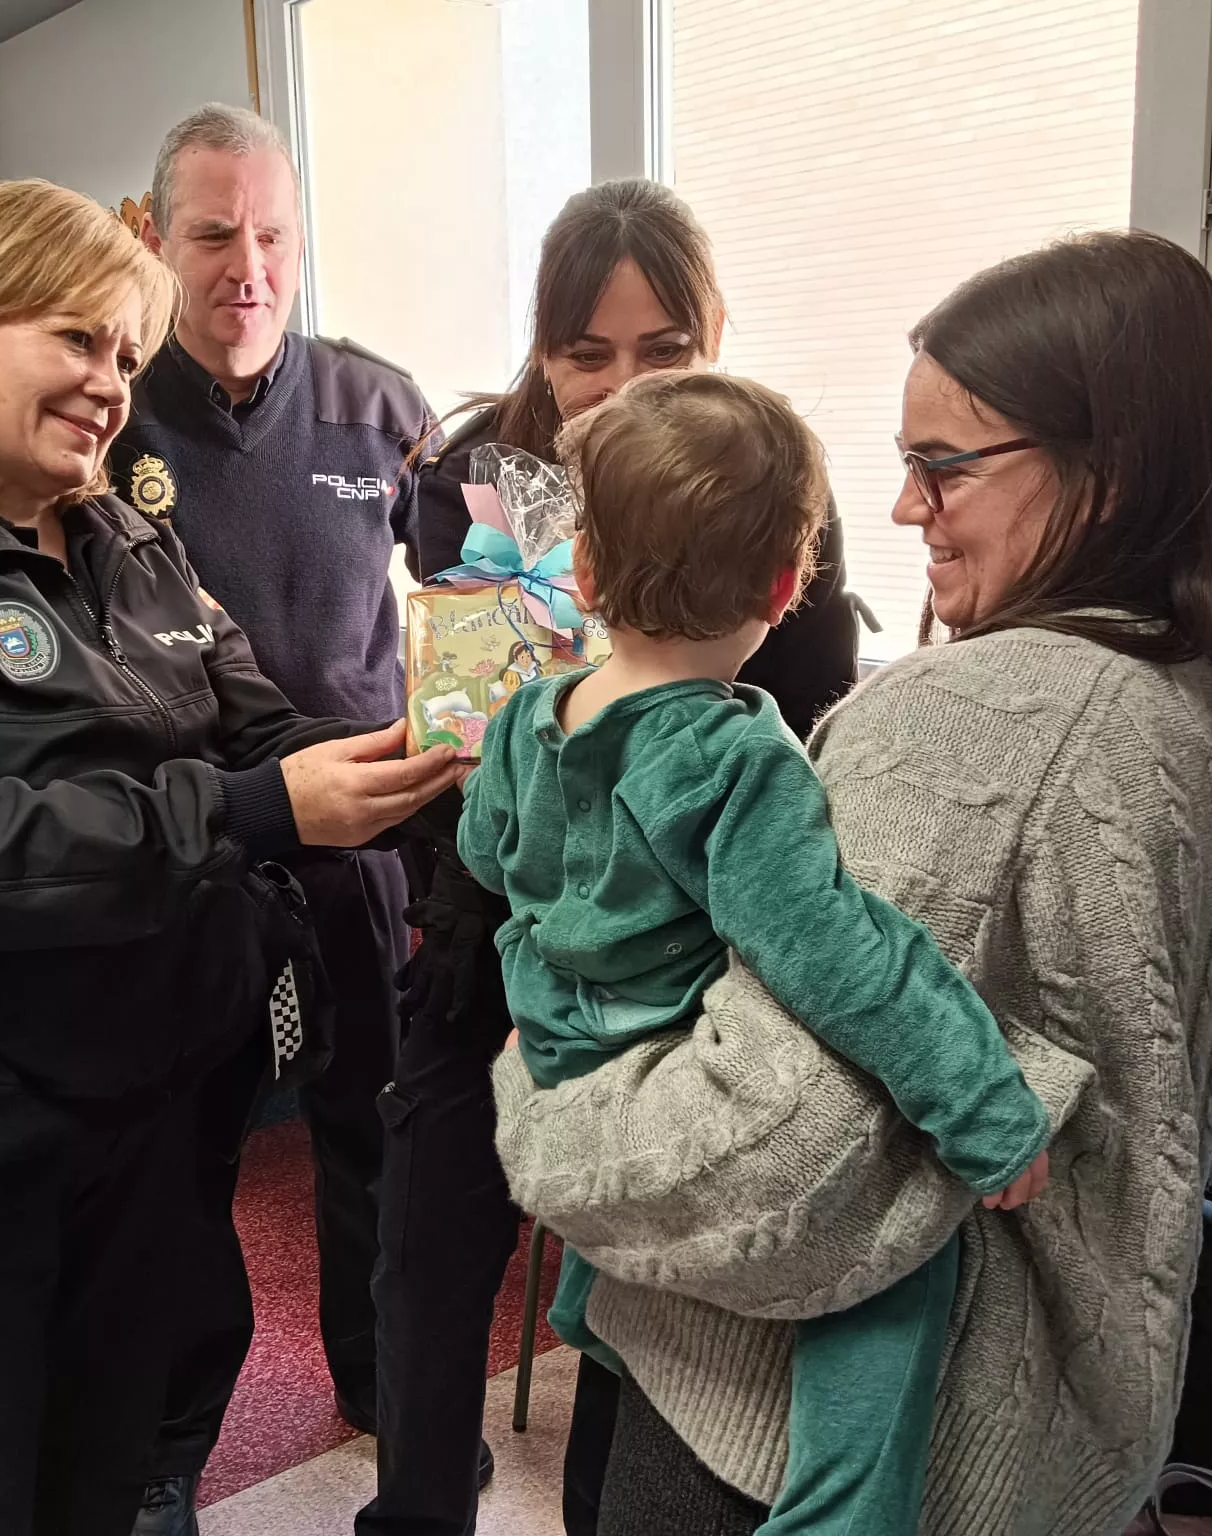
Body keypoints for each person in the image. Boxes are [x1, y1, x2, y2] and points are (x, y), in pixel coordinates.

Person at [488, 230, 1212, 1535]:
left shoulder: (978, 719)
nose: (901, 510)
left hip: (782, 1440)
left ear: (1104, 470)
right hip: (1067, 1422)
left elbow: (763, 1164)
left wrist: (529, 1116)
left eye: (942, 469)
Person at [0, 178, 460, 1536]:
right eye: (77, 340)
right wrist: (247, 815)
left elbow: (269, 732)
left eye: (125, 354)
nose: (111, 385)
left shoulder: (129, 541)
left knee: (114, 1468)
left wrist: (440, 765)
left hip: (152, 1122)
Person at [460, 369, 1053, 1536]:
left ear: (581, 576)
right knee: (893, 1249)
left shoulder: (534, 716)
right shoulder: (732, 760)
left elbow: (486, 853)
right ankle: (845, 1508)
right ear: (786, 588)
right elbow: (837, 952)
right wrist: (984, 1108)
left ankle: (594, 1301)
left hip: (560, 1052)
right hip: (666, 1061)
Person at [366, 178, 863, 1536]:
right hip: (487, 952)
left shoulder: (771, 502)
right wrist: (471, 762)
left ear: (716, 341)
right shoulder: (475, 483)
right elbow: (436, 716)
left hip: (669, 989)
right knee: (427, 1262)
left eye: (664, 352)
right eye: (588, 352)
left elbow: (808, 756)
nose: (622, 386)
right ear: (546, 353)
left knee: (639, 1310)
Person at [108, 104, 445, 1534]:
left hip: (356, 839)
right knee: (175, 1161)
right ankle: (161, 1450)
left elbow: (487, 594)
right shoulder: (108, 413)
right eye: (213, 235)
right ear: (152, 239)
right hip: (188, 849)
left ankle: (377, 1389)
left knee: (368, 1133)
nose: (247, 267)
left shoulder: (382, 407)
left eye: (273, 237)